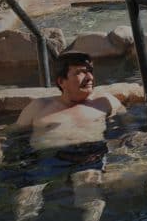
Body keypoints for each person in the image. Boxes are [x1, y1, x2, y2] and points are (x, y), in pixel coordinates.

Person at [9, 52, 124, 221]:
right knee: (26, 198)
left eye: (89, 71)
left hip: (88, 156)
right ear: (61, 81)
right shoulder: (39, 106)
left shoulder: (104, 102)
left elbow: (128, 123)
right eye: (79, 72)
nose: (89, 77)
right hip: (45, 158)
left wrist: (131, 139)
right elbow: (11, 133)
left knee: (91, 197)